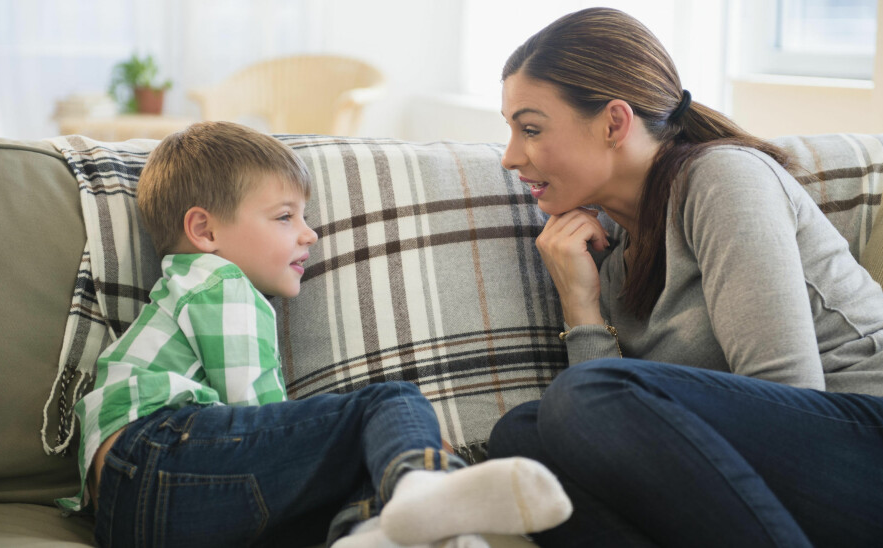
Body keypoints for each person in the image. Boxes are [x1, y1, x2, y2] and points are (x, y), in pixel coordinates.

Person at [489, 7, 883, 548]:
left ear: (614, 123)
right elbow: (606, 449)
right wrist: (581, 306)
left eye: (530, 128)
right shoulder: (613, 254)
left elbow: (786, 401)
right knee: (522, 439)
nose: (510, 157)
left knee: (586, 395)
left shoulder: (722, 177)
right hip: (792, 486)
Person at [55, 121, 573, 547]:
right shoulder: (217, 281)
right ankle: (424, 483)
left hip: (135, 515)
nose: (310, 233)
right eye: (285, 217)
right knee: (387, 402)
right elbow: (255, 411)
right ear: (205, 232)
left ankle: (374, 533)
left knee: (348, 474)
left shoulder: (190, 289)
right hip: (156, 457)